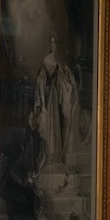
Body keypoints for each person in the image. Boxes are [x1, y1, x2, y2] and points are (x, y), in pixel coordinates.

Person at [30, 31, 80, 176]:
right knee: (47, 127)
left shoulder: (58, 65)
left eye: (54, 42)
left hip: (55, 99)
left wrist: (68, 86)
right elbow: (40, 83)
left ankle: (55, 159)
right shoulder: (46, 61)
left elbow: (61, 82)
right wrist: (43, 105)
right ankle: (46, 158)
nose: (52, 45)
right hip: (47, 98)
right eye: (50, 42)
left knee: (56, 125)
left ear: (57, 45)